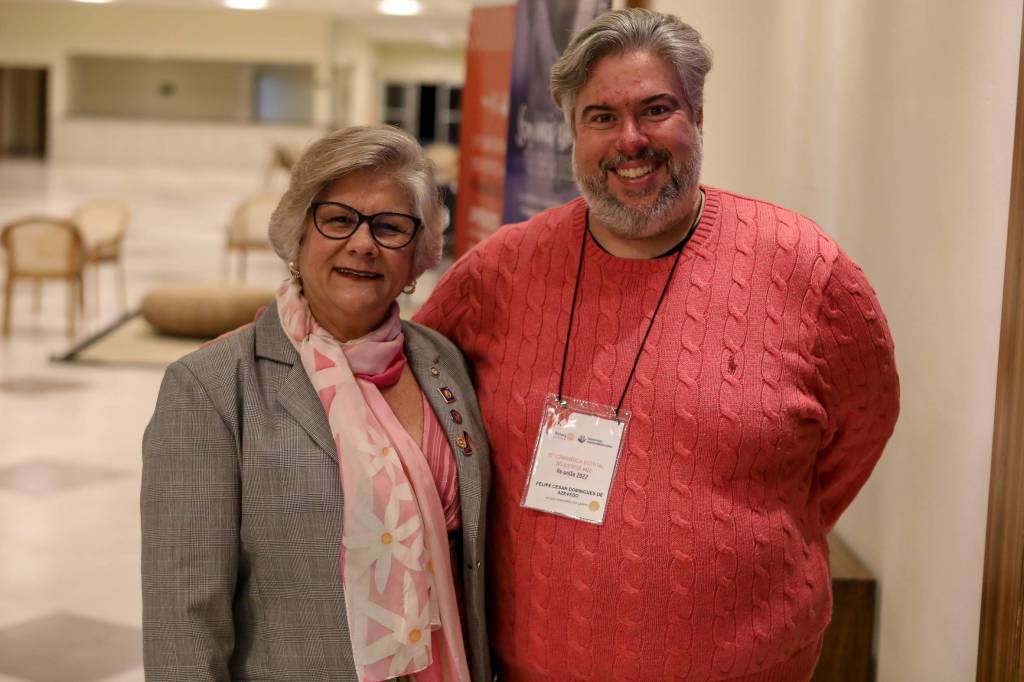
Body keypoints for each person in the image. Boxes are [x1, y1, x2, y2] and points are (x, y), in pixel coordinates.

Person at [414, 8, 899, 682]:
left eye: (656, 109)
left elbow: (864, 425)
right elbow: (413, 388)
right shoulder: (500, 271)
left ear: (698, 115)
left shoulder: (806, 269)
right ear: (572, 131)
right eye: (601, 117)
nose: (631, 140)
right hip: (531, 667)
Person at [142, 125, 491, 682]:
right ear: (298, 236)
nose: (363, 243)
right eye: (338, 219)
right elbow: (184, 625)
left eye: (390, 227)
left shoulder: (442, 361)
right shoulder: (211, 388)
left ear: (416, 257)